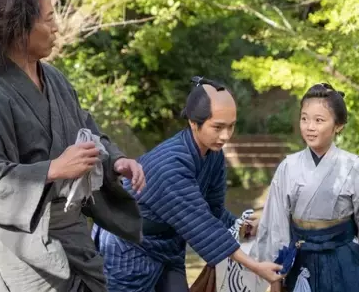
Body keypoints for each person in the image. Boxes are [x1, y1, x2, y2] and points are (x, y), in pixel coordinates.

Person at [0, 0, 146, 292]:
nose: (57, 27)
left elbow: (84, 128)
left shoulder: (55, 79)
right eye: (49, 18)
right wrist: (54, 169)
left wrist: (114, 160)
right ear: (19, 28)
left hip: (75, 238)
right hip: (27, 252)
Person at [94, 76, 284, 292]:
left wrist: (240, 225)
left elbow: (213, 210)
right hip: (127, 244)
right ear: (193, 122)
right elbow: (202, 224)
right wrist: (255, 267)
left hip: (168, 244)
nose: (225, 136)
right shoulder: (170, 165)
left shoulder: (213, 155)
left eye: (231, 126)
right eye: (218, 127)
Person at [251, 83, 359, 292]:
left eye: (319, 120)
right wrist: (276, 276)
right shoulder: (288, 167)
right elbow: (275, 225)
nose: (310, 127)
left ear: (338, 125)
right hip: (300, 263)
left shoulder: (353, 166)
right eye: (304, 119)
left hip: (344, 264)